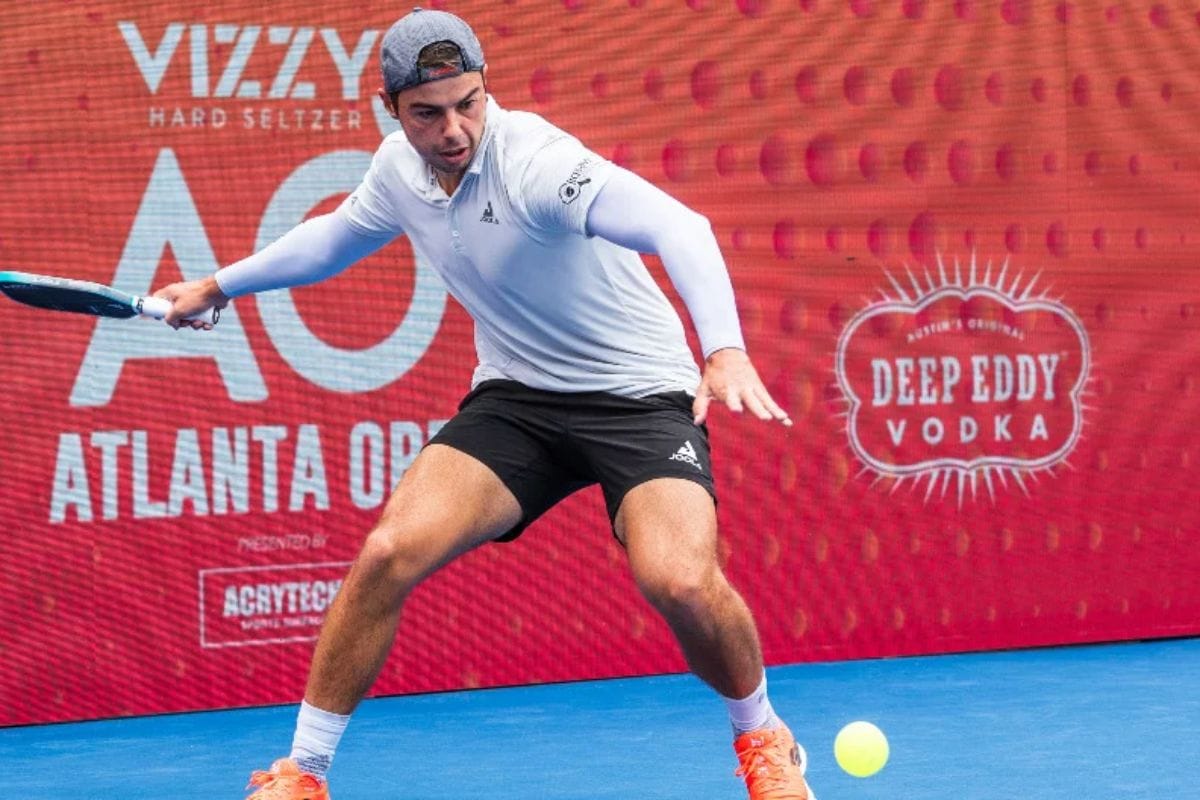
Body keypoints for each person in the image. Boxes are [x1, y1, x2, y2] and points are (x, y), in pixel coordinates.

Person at [156, 9, 812, 800]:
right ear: (391, 109)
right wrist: (218, 285)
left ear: (485, 89)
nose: (454, 130)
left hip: (637, 397)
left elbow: (679, 225)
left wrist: (724, 349)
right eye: (427, 113)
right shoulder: (397, 170)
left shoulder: (535, 161)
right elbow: (334, 238)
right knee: (389, 552)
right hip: (519, 398)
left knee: (679, 581)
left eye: (468, 103)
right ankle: (304, 772)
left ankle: (764, 736)